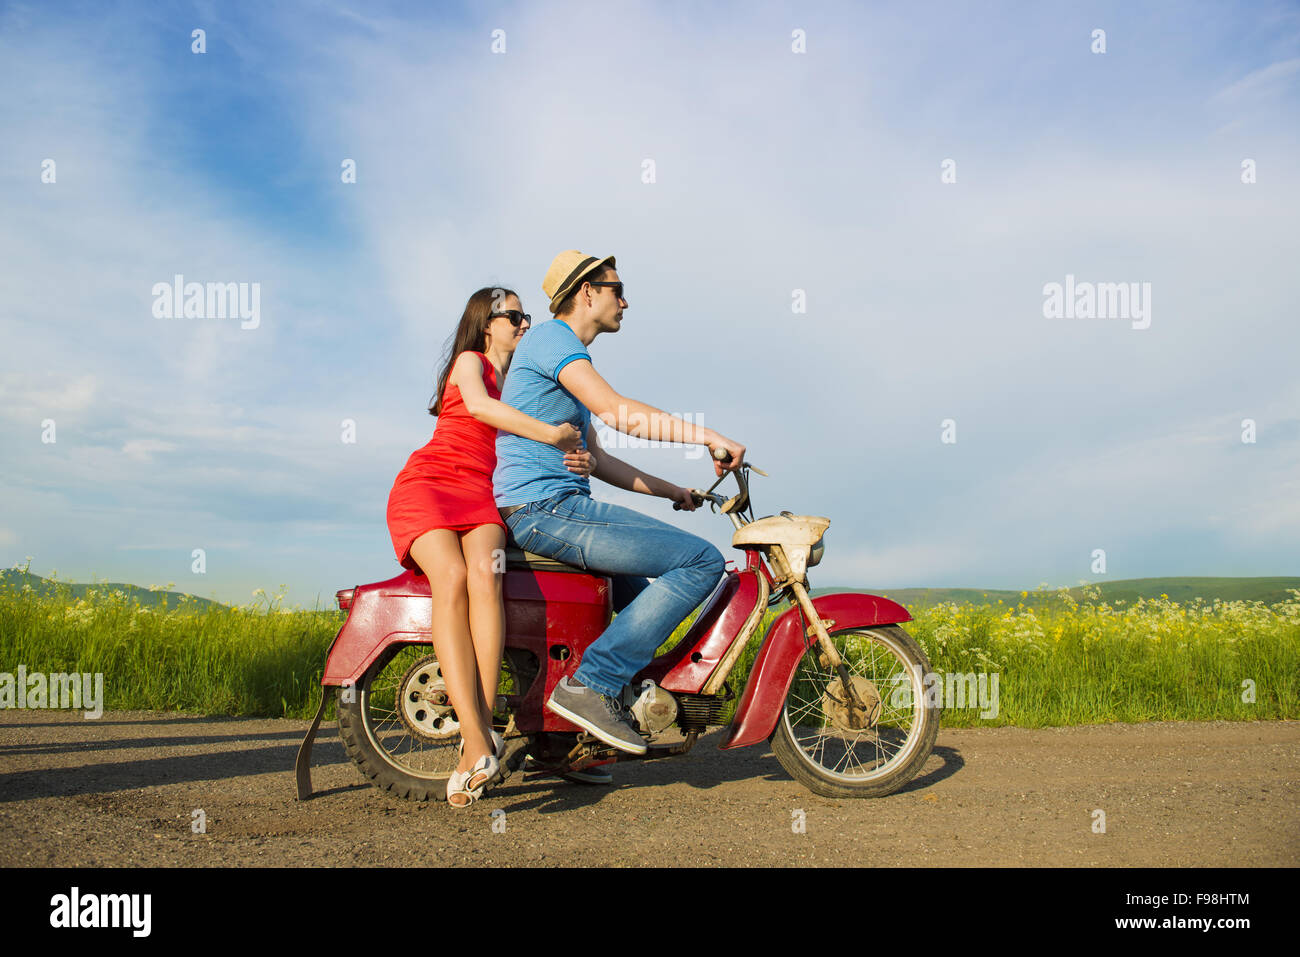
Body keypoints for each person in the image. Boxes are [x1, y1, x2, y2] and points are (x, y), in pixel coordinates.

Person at [494, 250, 747, 755]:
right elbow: (619, 413)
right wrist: (707, 436)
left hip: (554, 505)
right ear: (586, 292)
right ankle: (592, 685)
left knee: (640, 601)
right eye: (616, 289)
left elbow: (602, 461)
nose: (625, 301)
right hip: (545, 507)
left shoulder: (565, 361)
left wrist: (673, 491)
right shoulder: (551, 339)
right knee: (699, 561)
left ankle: (571, 740)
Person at [386, 286, 592, 806]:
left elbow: (557, 444)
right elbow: (479, 408)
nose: (526, 325)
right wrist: (551, 435)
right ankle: (475, 738)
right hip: (432, 483)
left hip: (482, 492)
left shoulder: (525, 385)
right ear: (487, 324)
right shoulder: (470, 363)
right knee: (451, 579)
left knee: (487, 578)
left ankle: (479, 739)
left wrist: (580, 459)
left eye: (527, 317)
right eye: (516, 316)